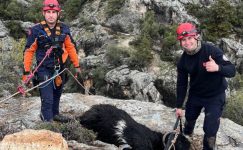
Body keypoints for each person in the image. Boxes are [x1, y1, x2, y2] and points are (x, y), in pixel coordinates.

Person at [175, 22, 236, 150]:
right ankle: (187, 137)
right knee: (189, 118)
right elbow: (182, 83)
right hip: (196, 94)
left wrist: (217, 67)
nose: (187, 42)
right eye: (183, 40)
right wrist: (179, 106)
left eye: (190, 38)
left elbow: (232, 70)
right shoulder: (183, 60)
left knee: (210, 129)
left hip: (215, 96)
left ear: (196, 36)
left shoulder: (211, 51)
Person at [22, 0, 81, 122]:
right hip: (44, 69)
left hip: (60, 67)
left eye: (54, 12)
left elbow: (70, 47)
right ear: (43, 13)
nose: (51, 15)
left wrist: (76, 64)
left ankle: (55, 114)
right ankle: (47, 121)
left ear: (58, 14)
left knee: (57, 94)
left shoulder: (64, 29)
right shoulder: (36, 30)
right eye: (48, 12)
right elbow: (29, 51)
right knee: (47, 98)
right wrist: (26, 72)